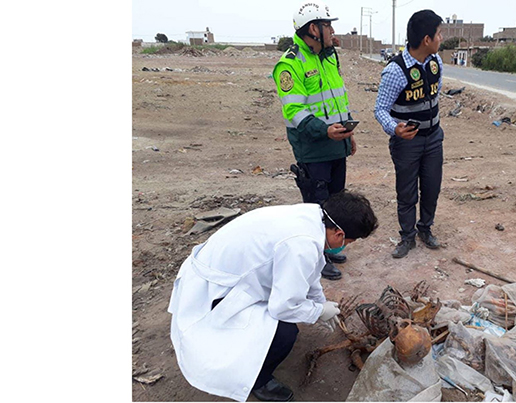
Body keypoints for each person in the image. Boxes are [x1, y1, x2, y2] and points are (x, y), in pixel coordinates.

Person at [168, 191, 379, 402]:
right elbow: (283, 308)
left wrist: (319, 301)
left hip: (226, 270)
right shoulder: (301, 244)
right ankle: (259, 381)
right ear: (339, 234)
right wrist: (318, 311)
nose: (346, 246)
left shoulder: (313, 217)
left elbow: (309, 271)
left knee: (289, 308)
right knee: (285, 333)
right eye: (350, 241)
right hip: (217, 290)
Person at [273, 1, 354, 280]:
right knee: (315, 207)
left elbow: (339, 99)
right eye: (327, 25)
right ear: (313, 29)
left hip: (336, 145)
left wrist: (349, 135)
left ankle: (328, 250)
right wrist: (325, 131)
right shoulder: (290, 64)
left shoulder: (329, 57)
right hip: (313, 148)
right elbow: (294, 110)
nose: (332, 31)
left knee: (335, 202)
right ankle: (316, 258)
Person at [374, 10, 445, 259]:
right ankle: (407, 236)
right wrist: (395, 128)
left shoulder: (436, 63)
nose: (441, 38)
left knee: (432, 188)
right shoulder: (395, 70)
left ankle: (425, 228)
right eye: (439, 34)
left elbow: (434, 95)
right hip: (407, 143)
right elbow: (380, 109)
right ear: (426, 39)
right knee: (407, 192)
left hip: (434, 139)